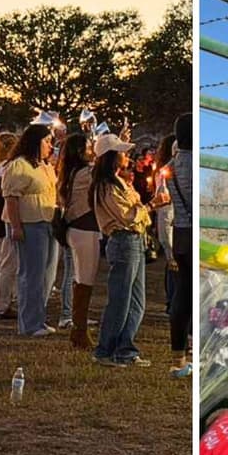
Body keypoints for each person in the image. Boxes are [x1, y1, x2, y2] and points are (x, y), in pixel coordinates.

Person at [91, 134, 167, 368]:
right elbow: (127, 217)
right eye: (121, 152)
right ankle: (105, 350)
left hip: (135, 241)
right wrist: (152, 205)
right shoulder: (106, 187)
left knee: (136, 302)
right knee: (120, 301)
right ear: (111, 157)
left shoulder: (121, 182)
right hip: (123, 241)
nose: (126, 156)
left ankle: (125, 348)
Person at [1, 124, 59, 338]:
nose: (49, 146)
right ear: (35, 142)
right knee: (30, 274)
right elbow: (11, 198)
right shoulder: (19, 165)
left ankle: (39, 317)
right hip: (28, 223)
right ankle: (29, 323)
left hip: (46, 221)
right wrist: (16, 226)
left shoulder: (44, 165)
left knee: (45, 274)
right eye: (46, 141)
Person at [57, 133, 98, 349]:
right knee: (85, 279)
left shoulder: (71, 172)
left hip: (79, 228)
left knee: (82, 277)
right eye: (89, 147)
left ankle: (79, 326)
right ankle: (79, 329)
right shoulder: (85, 173)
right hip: (84, 227)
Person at [165, 114, 193, 378]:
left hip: (180, 232)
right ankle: (194, 349)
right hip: (194, 232)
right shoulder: (194, 164)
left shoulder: (171, 165)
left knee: (182, 295)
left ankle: (179, 357)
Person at [0, 132, 19, 321]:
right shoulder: (7, 167)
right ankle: (2, 304)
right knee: (8, 263)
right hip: (4, 215)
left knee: (2, 262)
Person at [153, 133, 177, 314]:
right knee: (174, 268)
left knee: (173, 271)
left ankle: (172, 302)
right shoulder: (165, 174)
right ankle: (172, 303)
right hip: (171, 224)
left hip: (172, 223)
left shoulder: (163, 172)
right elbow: (165, 211)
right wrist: (168, 250)